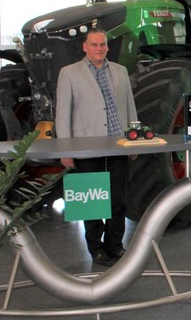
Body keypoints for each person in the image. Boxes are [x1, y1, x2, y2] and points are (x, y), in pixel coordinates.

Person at [55, 28, 138, 267]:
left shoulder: (120, 71)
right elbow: (63, 114)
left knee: (118, 201)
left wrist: (134, 142)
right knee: (91, 202)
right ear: (85, 47)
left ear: (107, 47)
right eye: (94, 44)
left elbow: (130, 108)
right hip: (87, 148)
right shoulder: (69, 73)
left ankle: (115, 245)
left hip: (118, 145)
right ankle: (96, 248)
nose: (99, 48)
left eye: (102, 44)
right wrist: (66, 151)